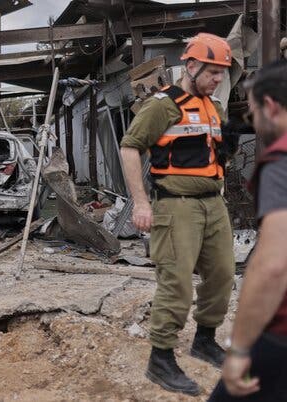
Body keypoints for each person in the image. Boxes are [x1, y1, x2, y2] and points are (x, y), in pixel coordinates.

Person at [120, 32, 235, 396]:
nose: (219, 80)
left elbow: (215, 155)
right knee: (177, 282)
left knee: (222, 275)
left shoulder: (215, 106)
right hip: (177, 206)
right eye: (213, 72)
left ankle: (204, 339)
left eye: (222, 73)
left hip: (213, 204)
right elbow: (129, 147)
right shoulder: (161, 105)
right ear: (191, 65)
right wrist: (140, 202)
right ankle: (161, 358)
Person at [209, 60, 287, 401]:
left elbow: (273, 266)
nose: (253, 121)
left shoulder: (280, 163)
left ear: (270, 107)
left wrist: (239, 348)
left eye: (253, 112)